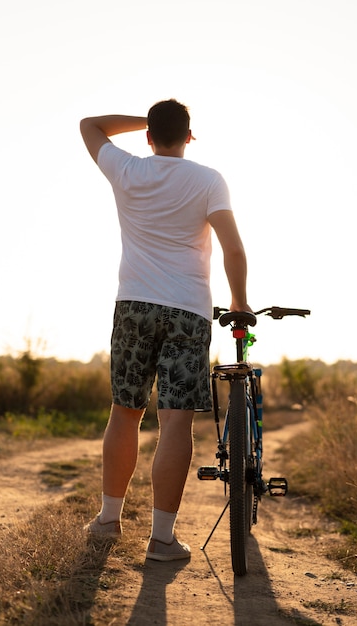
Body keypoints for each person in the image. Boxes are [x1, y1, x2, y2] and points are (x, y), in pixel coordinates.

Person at [80, 99, 251, 562]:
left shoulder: (127, 169)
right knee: (176, 421)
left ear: (150, 136)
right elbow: (232, 249)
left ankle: (107, 522)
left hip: (133, 305)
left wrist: (147, 122)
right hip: (187, 313)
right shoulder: (209, 180)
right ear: (189, 136)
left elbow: (89, 124)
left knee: (125, 411)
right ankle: (161, 540)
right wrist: (238, 301)